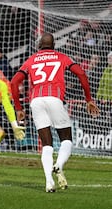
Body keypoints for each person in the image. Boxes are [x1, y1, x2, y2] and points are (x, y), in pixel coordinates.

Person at [11, 33, 100, 193]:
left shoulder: (31, 60)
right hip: (54, 98)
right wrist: (88, 98)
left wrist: (18, 108)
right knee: (66, 139)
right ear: (54, 45)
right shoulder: (61, 57)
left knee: (46, 145)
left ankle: (49, 181)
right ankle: (58, 165)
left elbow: (14, 82)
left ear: (39, 45)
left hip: (36, 101)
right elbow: (81, 74)